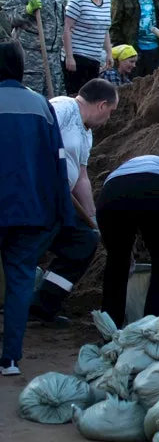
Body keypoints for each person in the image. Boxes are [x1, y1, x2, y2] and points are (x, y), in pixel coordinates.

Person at [0, 40, 75, 376]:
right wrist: (64, 213)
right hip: (31, 213)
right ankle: (11, 360)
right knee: (19, 281)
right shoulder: (41, 106)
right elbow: (59, 162)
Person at [30, 80, 118, 328]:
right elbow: (34, 139)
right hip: (38, 196)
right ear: (102, 105)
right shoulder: (63, 107)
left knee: (83, 241)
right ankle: (14, 298)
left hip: (59, 202)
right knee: (28, 249)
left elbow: (81, 176)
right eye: (111, 112)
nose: (108, 119)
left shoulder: (86, 133)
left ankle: (44, 304)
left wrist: (93, 219)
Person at [97, 155, 159, 327]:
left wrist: (121, 252)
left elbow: (108, 229)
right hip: (156, 189)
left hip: (111, 193)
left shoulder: (119, 172)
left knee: (116, 263)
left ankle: (109, 329)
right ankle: (153, 329)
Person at [3, 0, 68, 95]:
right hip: (31, 58)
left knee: (53, 99)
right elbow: (8, 16)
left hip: (53, 58)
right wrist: (26, 10)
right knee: (31, 97)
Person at [62, 0, 113, 95]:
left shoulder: (106, 2)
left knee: (90, 96)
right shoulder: (78, 1)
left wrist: (109, 53)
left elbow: (105, 29)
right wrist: (69, 56)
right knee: (75, 96)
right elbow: (66, 28)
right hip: (77, 57)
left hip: (94, 58)